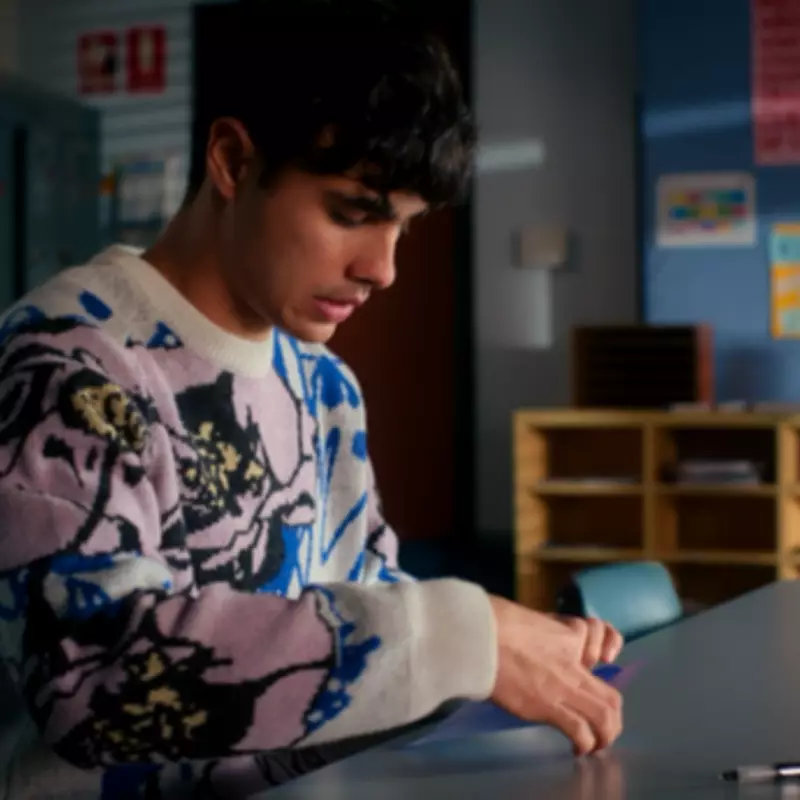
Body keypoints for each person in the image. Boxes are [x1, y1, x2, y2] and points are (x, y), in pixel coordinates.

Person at [0, 1, 623, 797]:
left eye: (404, 228)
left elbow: (366, 604)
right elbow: (91, 682)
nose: (382, 269)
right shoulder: (67, 362)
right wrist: (457, 638)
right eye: (351, 214)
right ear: (233, 161)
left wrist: (514, 648)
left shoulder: (325, 385)